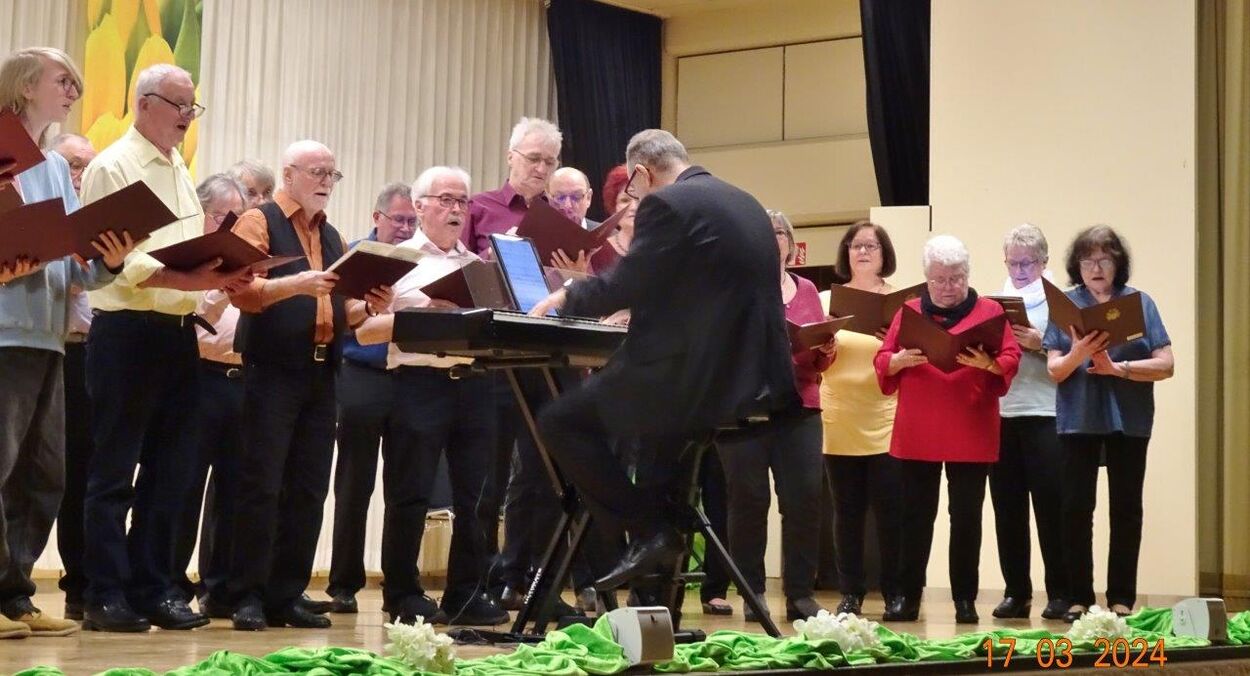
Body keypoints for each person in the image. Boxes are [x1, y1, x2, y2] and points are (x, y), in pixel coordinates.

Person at [531, 129, 798, 590]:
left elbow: (628, 283)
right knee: (660, 462)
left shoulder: (668, 204)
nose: (637, 199)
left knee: (560, 421)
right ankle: (655, 587)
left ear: (642, 173)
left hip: (689, 379)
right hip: (752, 379)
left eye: (634, 190)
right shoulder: (745, 203)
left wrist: (565, 296)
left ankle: (649, 530)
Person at [80, 63, 251, 633]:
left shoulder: (179, 165)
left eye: (192, 107)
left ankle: (153, 589)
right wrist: (186, 278)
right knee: (114, 471)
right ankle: (103, 595)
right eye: (180, 105)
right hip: (126, 331)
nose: (187, 117)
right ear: (145, 103)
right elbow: (116, 258)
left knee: (170, 470)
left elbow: (183, 249)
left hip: (177, 333)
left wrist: (218, 269)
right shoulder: (113, 166)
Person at [224, 140, 391, 631]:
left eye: (332, 174)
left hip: (322, 371)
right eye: (317, 171)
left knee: (309, 486)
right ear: (288, 174)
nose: (325, 181)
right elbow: (240, 292)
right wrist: (295, 284)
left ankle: (287, 592)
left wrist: (370, 305)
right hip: (273, 367)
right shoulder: (259, 221)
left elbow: (344, 313)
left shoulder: (333, 236)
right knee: (262, 484)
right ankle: (247, 594)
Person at [0, 46, 135, 639]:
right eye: (63, 81)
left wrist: (110, 259)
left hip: (50, 337)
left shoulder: (56, 167)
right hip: (4, 334)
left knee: (43, 475)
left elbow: (80, 264)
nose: (74, 92)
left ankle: (15, 596)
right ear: (26, 86)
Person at [355, 166, 508, 626]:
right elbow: (363, 330)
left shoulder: (478, 266)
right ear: (419, 207)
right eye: (445, 199)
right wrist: (427, 311)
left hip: (474, 382)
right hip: (417, 384)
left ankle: (467, 593)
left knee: (477, 497)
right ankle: (402, 593)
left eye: (462, 201)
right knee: (410, 493)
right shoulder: (395, 260)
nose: (455, 209)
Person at [874, 235, 1020, 624]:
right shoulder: (908, 311)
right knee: (915, 518)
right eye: (939, 279)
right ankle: (907, 599)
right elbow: (883, 359)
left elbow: (1010, 355)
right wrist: (897, 361)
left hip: (971, 428)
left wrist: (989, 365)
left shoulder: (989, 311)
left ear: (967, 275)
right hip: (918, 429)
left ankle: (964, 601)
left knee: (966, 518)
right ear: (927, 278)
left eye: (956, 278)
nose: (948, 287)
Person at [1043, 225, 1173, 622]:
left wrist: (1119, 368)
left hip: (1129, 420)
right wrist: (1079, 351)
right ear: (1077, 266)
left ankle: (1121, 598)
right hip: (1079, 419)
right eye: (1088, 261)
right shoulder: (1066, 305)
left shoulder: (1140, 302)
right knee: (1076, 509)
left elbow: (1167, 364)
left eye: (1104, 259)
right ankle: (1078, 598)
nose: (1096, 268)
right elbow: (1054, 370)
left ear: (1118, 263)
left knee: (1127, 508)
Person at [717, 210, 833, 621]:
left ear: (790, 243)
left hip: (799, 405)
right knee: (748, 500)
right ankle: (752, 593)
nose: (771, 239)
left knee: (804, 499)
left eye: (778, 232)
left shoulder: (808, 289)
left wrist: (826, 350)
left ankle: (800, 594)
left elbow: (820, 358)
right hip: (744, 407)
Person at [325, 182, 417, 613]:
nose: (405, 228)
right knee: (353, 483)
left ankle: (399, 586)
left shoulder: (420, 261)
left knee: (405, 485)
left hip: (408, 378)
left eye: (412, 221)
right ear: (377, 217)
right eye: (398, 219)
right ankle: (343, 584)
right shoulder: (355, 257)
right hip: (360, 373)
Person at [170, 174, 249, 618]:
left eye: (237, 218)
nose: (230, 226)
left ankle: (220, 589)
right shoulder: (187, 257)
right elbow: (193, 318)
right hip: (199, 375)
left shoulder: (246, 258)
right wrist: (220, 289)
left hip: (245, 379)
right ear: (202, 213)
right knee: (184, 485)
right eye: (222, 216)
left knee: (235, 489)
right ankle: (171, 585)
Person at [819, 221, 903, 617]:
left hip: (886, 414)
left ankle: (894, 593)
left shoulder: (900, 304)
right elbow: (811, 357)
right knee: (847, 512)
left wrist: (895, 345)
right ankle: (850, 593)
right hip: (840, 417)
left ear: (885, 255)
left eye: (871, 246)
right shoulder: (826, 300)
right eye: (856, 246)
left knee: (890, 512)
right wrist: (823, 349)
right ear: (846, 253)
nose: (863, 252)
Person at [988, 224, 1068, 621]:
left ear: (1044, 262)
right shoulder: (997, 302)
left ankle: (1060, 592)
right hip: (1003, 414)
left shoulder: (1060, 303)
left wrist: (1041, 343)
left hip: (1045, 413)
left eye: (1028, 263)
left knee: (1051, 509)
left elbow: (1074, 356)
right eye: (1013, 262)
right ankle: (1016, 592)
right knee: (1008, 508)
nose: (1020, 271)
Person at [45, 132, 98, 622]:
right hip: (44, 348)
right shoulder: (43, 213)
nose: (78, 176)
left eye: (85, 166)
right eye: (72, 165)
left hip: (89, 352)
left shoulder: (94, 224)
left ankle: (81, 582)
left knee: (82, 471)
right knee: (39, 470)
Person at [588, 164, 636, 276]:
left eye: (639, 199)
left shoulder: (666, 244)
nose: (633, 207)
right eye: (625, 200)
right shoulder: (597, 251)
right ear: (614, 207)